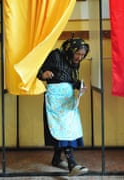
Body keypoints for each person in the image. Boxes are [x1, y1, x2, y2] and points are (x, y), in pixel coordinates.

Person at [37, 37, 90, 176]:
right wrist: (43, 74)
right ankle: (72, 164)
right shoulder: (55, 55)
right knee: (63, 128)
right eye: (77, 54)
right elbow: (37, 69)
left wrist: (80, 85)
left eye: (82, 55)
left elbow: (71, 80)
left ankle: (56, 159)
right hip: (55, 98)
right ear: (70, 50)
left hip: (68, 98)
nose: (79, 57)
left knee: (69, 127)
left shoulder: (74, 62)